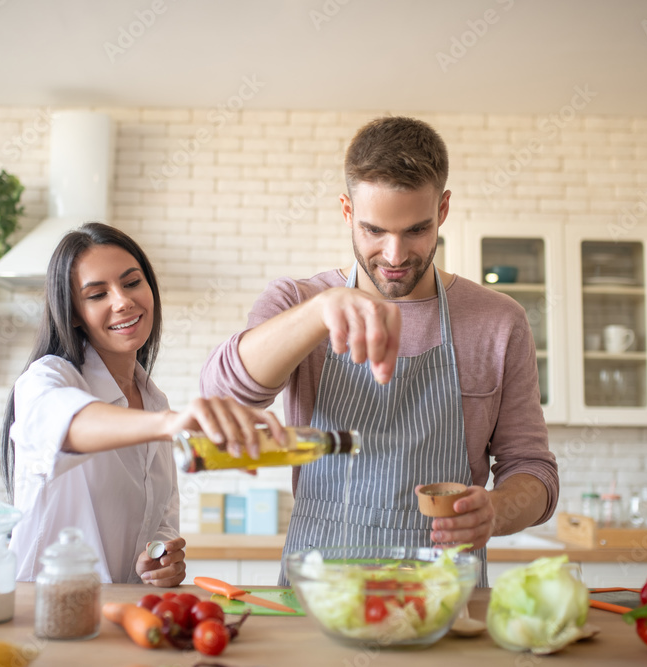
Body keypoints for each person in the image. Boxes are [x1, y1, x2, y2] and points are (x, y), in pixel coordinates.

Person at [200, 116, 558, 585]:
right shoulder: (296, 301)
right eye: (374, 231)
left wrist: (496, 511)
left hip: (444, 592)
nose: (394, 255)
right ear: (347, 211)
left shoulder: (497, 320)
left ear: (443, 210)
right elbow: (222, 395)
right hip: (319, 591)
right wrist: (320, 312)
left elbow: (532, 469)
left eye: (416, 230)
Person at [0, 222, 284, 585]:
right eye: (97, 294)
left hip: (119, 618)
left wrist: (161, 560)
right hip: (47, 613)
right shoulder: (47, 379)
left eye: (132, 283)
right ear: (73, 314)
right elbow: (66, 426)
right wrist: (170, 423)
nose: (122, 301)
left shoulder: (154, 401)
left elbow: (161, 518)